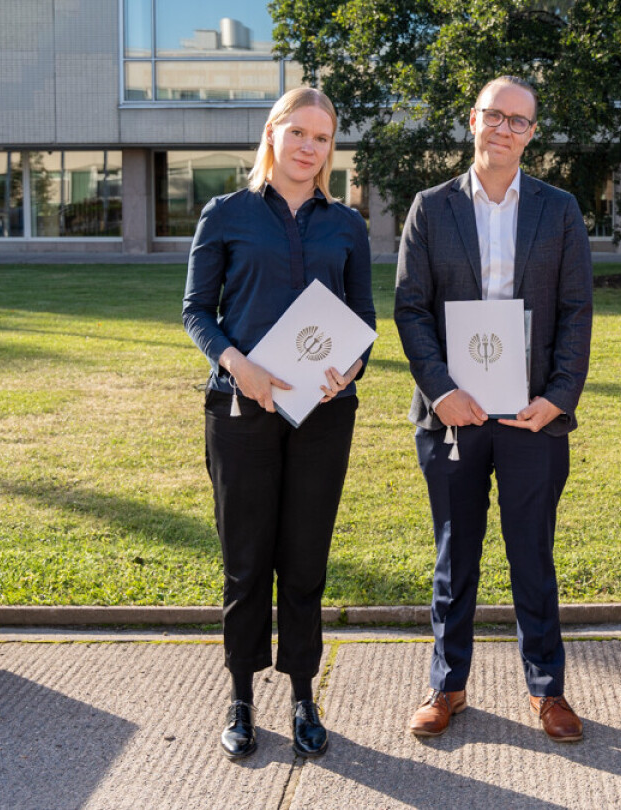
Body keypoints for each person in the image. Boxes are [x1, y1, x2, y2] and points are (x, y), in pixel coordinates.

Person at [395, 75, 594, 743]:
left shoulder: (558, 208)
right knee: (456, 553)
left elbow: (575, 311)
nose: (505, 129)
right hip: (454, 412)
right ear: (472, 120)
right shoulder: (431, 206)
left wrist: (558, 397)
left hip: (531, 415)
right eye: (494, 116)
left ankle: (548, 690)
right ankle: (447, 685)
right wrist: (441, 389)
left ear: (532, 134)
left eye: (519, 121)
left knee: (531, 552)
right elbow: (411, 308)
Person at [182, 87, 375, 761]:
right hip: (241, 411)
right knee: (245, 562)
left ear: (330, 150)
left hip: (324, 415)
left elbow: (364, 323)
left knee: (304, 561)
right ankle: (240, 696)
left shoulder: (346, 224)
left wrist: (352, 368)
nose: (309, 148)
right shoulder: (226, 214)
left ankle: (302, 694)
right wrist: (240, 365)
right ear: (272, 135)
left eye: (322, 138)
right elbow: (197, 312)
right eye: (298, 133)